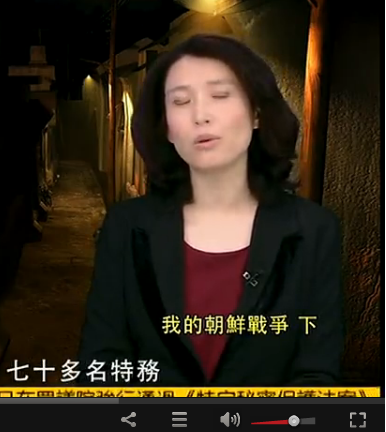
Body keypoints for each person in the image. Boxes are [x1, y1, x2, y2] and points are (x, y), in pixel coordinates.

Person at [77, 34, 344, 386]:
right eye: (181, 101)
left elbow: (316, 371)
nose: (200, 116)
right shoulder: (126, 226)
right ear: (167, 128)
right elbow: (101, 362)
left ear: (257, 113)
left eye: (220, 95)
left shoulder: (314, 230)